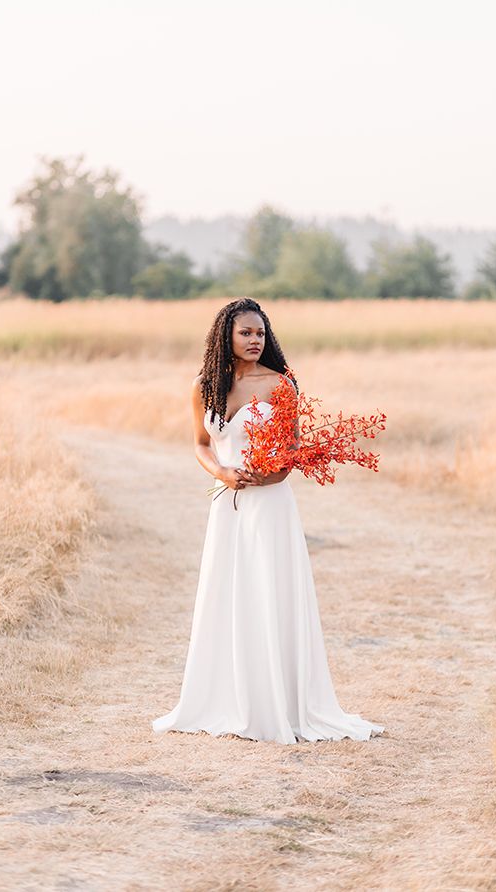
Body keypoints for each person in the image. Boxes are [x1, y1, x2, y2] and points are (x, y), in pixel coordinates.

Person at [151, 297, 385, 744]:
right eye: (246, 333)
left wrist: (270, 474)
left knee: (269, 592)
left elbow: (293, 451)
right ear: (227, 336)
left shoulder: (281, 385)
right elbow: (201, 443)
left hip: (271, 505)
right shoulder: (205, 385)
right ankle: (226, 698)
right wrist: (222, 471)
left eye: (260, 333)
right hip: (228, 505)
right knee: (229, 592)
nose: (255, 340)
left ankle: (279, 702)